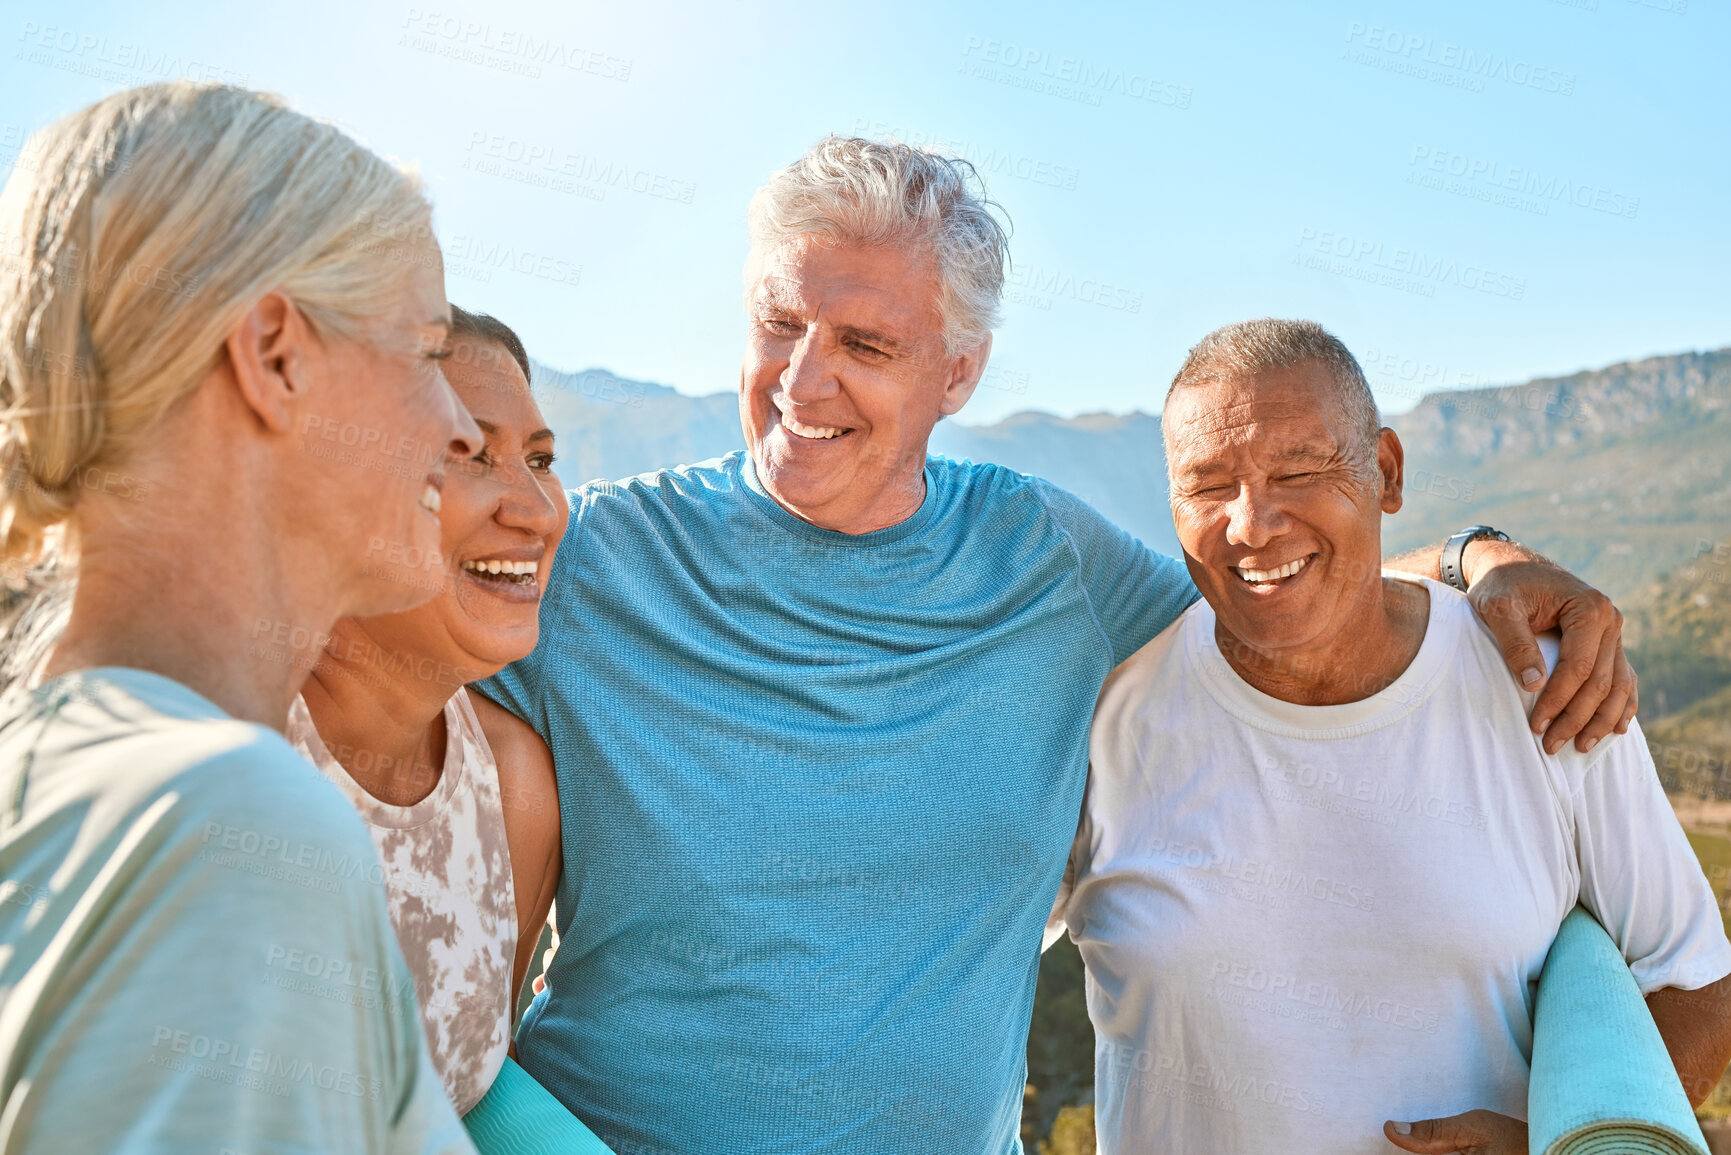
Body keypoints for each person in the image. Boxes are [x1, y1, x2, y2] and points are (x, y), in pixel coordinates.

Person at [475, 137, 1639, 1154]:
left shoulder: (1042, 557)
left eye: (867, 345)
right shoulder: (589, 560)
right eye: (780, 325)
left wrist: (1477, 559)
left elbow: (1272, 584)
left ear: (959, 373)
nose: (803, 378)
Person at [1047, 318, 1731, 1154]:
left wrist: (1555, 1146)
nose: (1251, 523)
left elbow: (1692, 980)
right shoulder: (1099, 715)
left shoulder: (1545, 683)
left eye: (1298, 470)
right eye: (1206, 484)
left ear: (1387, 471)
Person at [0, 83, 481, 1153]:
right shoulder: (225, 824)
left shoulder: (76, 772)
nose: (457, 426)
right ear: (273, 354)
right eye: (425, 350)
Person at [287, 305, 565, 1114]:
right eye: (471, 454)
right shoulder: (214, 749)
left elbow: (475, 1093)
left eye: (541, 459)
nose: (538, 511)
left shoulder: (514, 789)